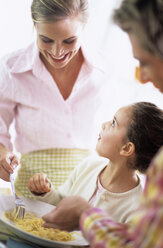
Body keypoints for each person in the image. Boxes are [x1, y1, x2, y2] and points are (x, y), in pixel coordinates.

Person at [42, 0, 163, 247]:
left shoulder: (137, 203)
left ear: (128, 148)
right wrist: (47, 194)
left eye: (146, 61)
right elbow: (59, 202)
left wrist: (84, 215)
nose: (143, 77)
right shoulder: (89, 167)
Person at [0, 0, 107, 197]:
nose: (58, 52)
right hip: (31, 186)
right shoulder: (12, 69)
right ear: (34, 27)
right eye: (46, 40)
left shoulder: (100, 70)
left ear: (84, 29)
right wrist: (3, 155)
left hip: (84, 188)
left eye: (69, 41)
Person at [29, 101, 163, 225]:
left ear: (126, 148)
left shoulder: (137, 209)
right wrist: (44, 191)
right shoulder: (88, 166)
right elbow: (59, 205)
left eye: (113, 123)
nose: (103, 124)